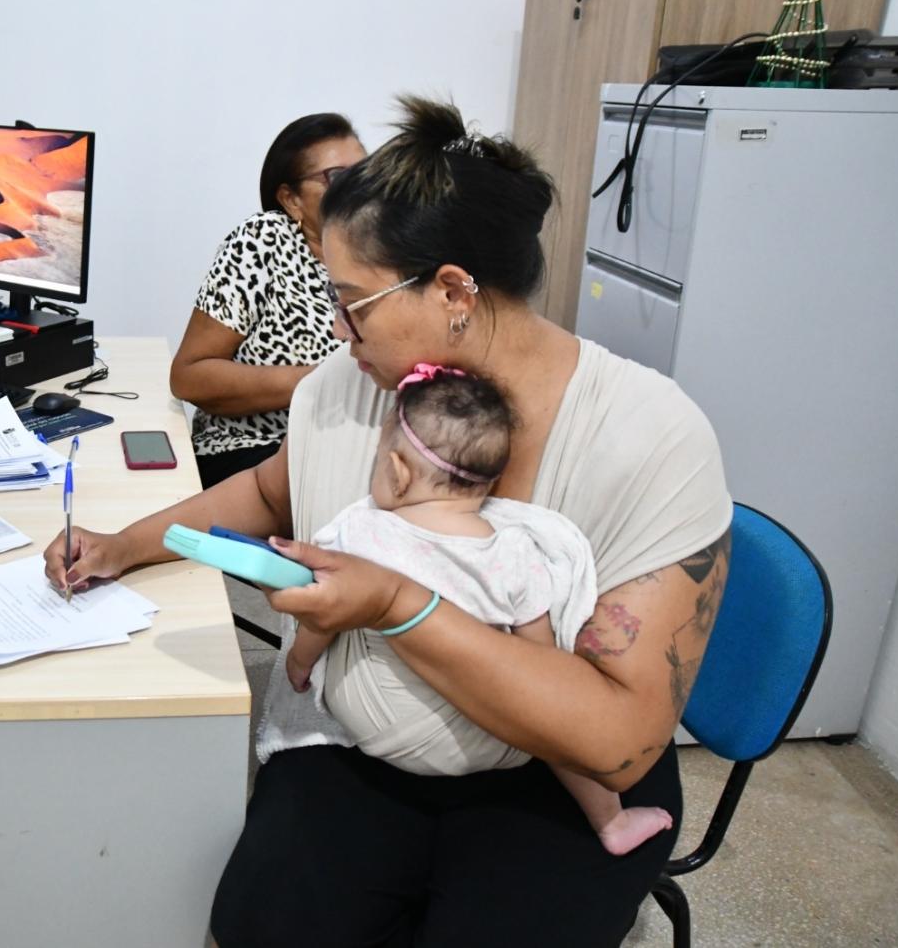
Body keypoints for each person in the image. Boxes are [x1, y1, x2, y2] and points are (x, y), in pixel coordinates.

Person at [46, 95, 731, 946]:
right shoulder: (352, 386)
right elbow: (267, 494)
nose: (338, 331)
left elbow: (618, 742)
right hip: (362, 739)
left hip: (553, 774)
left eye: (354, 302)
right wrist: (124, 545)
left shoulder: (650, 438)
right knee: (265, 924)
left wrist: (398, 606)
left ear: (451, 291)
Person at [285, 364, 673, 857]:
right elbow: (542, 664)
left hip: (384, 739)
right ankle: (611, 821)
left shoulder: (364, 533)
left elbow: (324, 614)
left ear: (397, 471)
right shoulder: (516, 551)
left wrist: (299, 663)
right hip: (499, 742)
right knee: (557, 728)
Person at [170, 113, 366, 489]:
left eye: (367, 173)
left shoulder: (384, 255)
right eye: (339, 177)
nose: (361, 189)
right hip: (252, 449)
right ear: (291, 199)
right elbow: (189, 376)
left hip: (346, 453)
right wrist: (320, 383)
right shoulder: (263, 242)